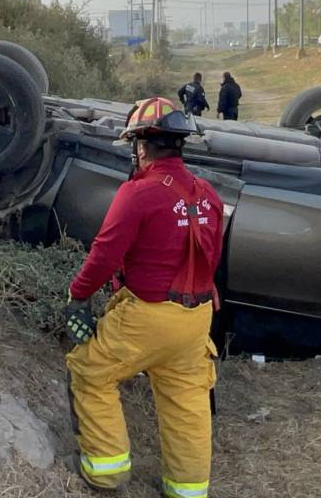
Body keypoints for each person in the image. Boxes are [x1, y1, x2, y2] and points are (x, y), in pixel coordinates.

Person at [64, 97, 224, 496]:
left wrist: (78, 296)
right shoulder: (210, 196)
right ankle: (187, 490)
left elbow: (105, 254)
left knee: (90, 372)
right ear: (180, 144)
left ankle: (106, 472)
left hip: (148, 316)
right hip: (196, 319)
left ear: (140, 146)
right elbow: (212, 258)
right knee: (186, 401)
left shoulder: (139, 194)